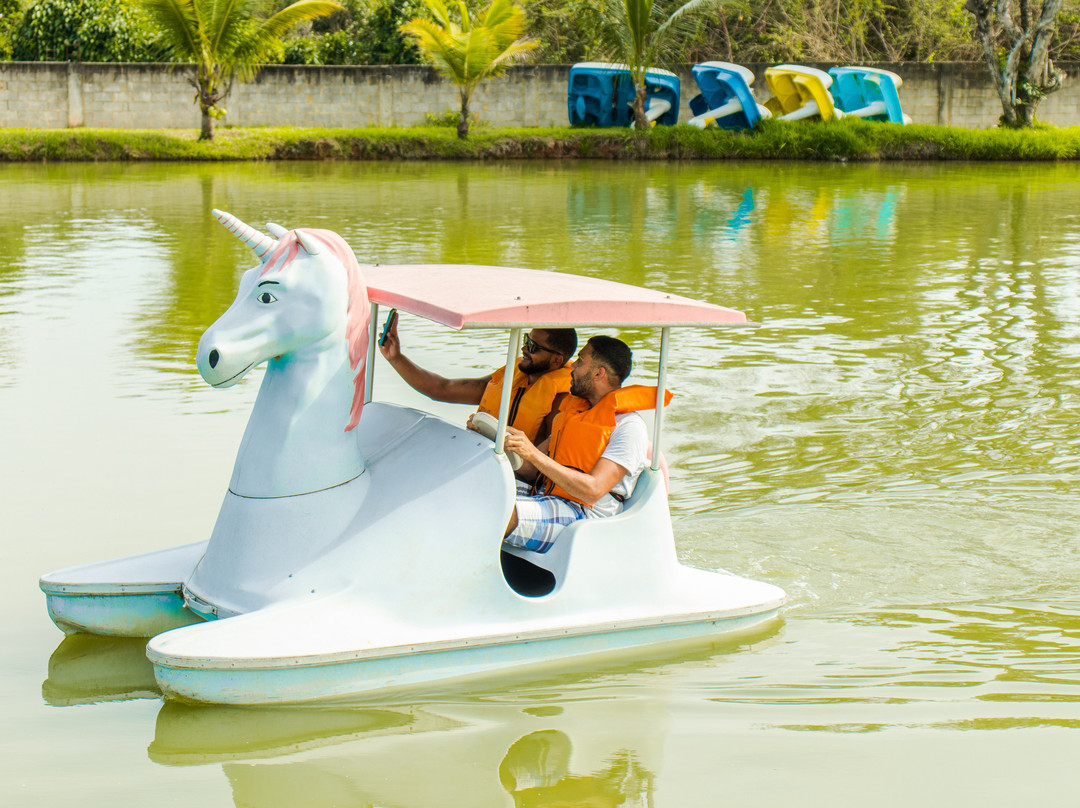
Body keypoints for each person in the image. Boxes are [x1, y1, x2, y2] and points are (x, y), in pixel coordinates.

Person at [502, 335, 671, 552]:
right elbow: (531, 470)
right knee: (481, 487)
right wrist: (504, 443)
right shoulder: (576, 414)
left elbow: (593, 490)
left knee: (498, 511)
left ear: (598, 373)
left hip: (584, 515)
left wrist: (532, 453)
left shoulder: (629, 427)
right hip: (547, 495)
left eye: (580, 361)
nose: (572, 366)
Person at [378, 311, 577, 444]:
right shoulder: (510, 378)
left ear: (556, 360)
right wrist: (396, 358)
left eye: (533, 347)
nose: (524, 348)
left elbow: (542, 462)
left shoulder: (561, 401)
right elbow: (442, 389)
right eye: (527, 340)